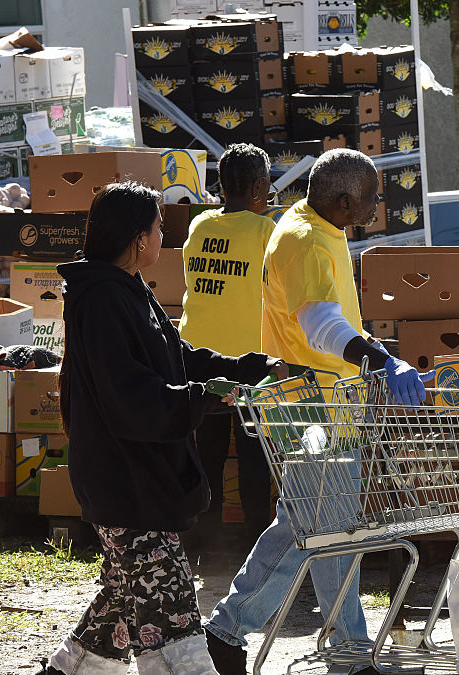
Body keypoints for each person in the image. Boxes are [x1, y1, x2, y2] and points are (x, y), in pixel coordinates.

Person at [205, 149, 430, 675]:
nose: (377, 205)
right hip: (311, 410)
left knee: (330, 531)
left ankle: (348, 648)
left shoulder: (314, 225)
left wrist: (372, 350)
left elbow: (333, 317)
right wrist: (381, 359)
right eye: (372, 197)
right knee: (309, 531)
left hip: (324, 405)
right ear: (345, 200)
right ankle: (229, 627)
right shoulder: (305, 240)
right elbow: (320, 325)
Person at [44, 182, 284, 674]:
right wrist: (200, 398)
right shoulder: (103, 299)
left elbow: (176, 358)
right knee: (171, 613)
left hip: (139, 474)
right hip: (124, 478)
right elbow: (129, 393)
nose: (162, 238)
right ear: (137, 239)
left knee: (123, 599)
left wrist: (245, 368)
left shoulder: (128, 290)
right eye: (158, 228)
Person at [180, 143, 277, 557]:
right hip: (247, 364)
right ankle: (256, 548)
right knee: (254, 455)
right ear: (258, 187)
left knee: (209, 453)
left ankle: (206, 544)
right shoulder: (265, 231)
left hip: (198, 360)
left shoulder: (200, 225)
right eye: (269, 185)